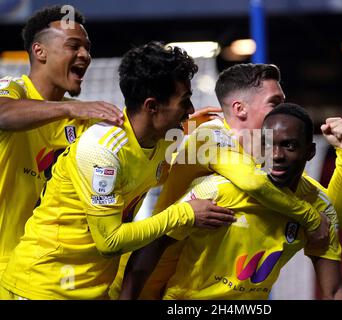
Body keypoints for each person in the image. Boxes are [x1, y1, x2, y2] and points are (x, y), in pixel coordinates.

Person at [0, 42, 236, 300]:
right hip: (42, 288)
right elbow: (110, 241)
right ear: (152, 106)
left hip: (91, 290)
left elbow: (168, 166)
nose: (190, 110)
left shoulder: (164, 138)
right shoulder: (103, 150)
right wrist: (185, 214)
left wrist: (204, 128)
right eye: (185, 102)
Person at [119, 63, 342, 299]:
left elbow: (333, 216)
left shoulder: (264, 162)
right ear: (240, 109)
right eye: (274, 103)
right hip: (150, 279)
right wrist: (312, 218)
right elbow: (255, 184)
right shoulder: (209, 136)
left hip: (191, 276)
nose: (281, 111)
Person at [0, 5, 124, 280]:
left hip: (51, 271)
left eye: (87, 48)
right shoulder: (13, 89)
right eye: (74, 46)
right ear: (40, 51)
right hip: (5, 262)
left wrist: (173, 122)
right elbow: (3, 115)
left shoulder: (83, 119)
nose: (85, 55)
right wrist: (70, 109)